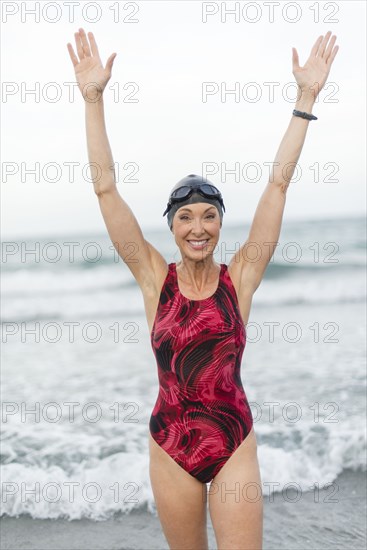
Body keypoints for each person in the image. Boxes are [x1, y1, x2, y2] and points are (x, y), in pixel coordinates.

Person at [67, 29, 339, 550]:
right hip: (171, 444)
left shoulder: (240, 279)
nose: (198, 226)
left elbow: (277, 185)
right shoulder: (153, 278)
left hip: (232, 439)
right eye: (185, 216)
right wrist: (94, 100)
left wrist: (305, 100)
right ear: (171, 227)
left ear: (219, 226)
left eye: (209, 216)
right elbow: (105, 188)